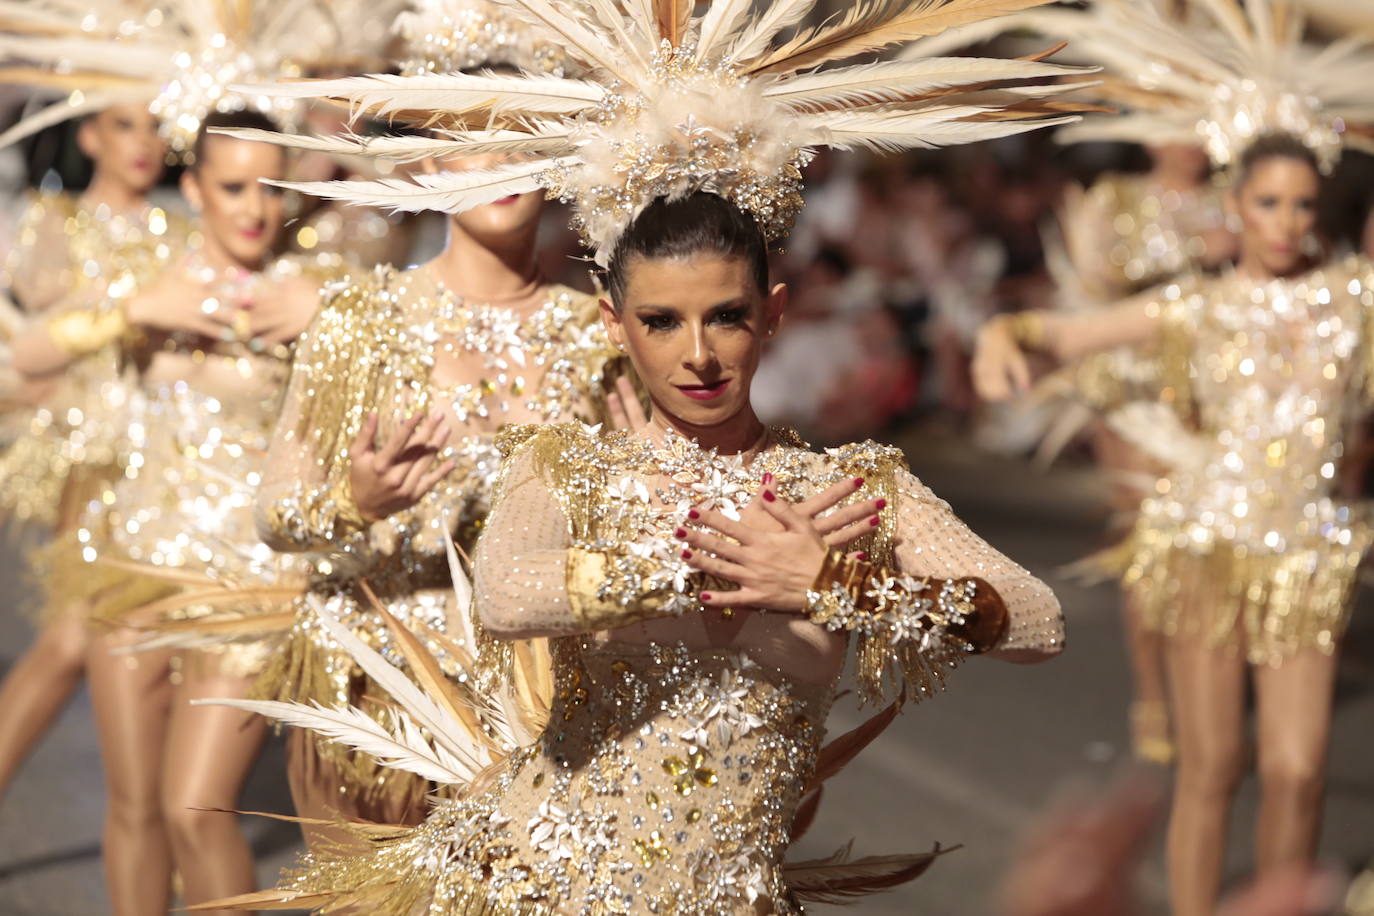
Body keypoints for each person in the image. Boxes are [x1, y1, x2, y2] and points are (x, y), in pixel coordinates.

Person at [194, 0, 1081, 910]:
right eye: (661, 321)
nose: (698, 353)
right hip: (531, 876)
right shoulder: (570, 470)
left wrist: (837, 586)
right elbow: (506, 596)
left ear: (773, 315)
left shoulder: (845, 492)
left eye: (727, 316)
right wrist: (692, 557)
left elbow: (1037, 620)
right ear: (619, 327)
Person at [975, 130, 1371, 916]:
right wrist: (1001, 336)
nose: (1286, 222)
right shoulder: (1198, 306)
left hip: (1307, 562)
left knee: (1297, 770)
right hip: (1206, 552)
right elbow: (1062, 332)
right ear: (1236, 209)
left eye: (1301, 205)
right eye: (1267, 203)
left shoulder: (1353, 302)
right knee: (1214, 763)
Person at [13, 112, 332, 916]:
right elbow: (30, 355)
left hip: (249, 589)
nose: (253, 207)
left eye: (271, 186)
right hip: (139, 573)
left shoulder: (313, 285)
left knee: (198, 808)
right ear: (193, 190)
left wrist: (325, 313)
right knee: (136, 808)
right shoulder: (153, 273)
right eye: (231, 187)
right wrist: (135, 312)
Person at [0, 97, 186, 803]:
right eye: (123, 125)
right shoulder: (57, 223)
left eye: (154, 126)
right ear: (89, 136)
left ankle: (162, 841)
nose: (142, 143)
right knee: (73, 642)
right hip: (97, 461)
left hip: (177, 470)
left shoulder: (186, 229)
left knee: (150, 657)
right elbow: (35, 339)